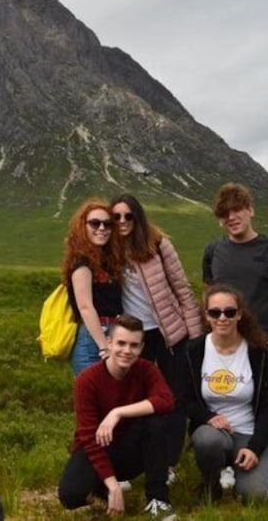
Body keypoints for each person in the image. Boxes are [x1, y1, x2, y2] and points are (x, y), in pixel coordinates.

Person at [110, 193, 202, 483]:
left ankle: (169, 463)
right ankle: (128, 465)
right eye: (117, 217)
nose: (123, 222)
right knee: (133, 399)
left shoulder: (158, 244)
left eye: (129, 216)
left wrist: (195, 337)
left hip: (169, 334)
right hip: (133, 339)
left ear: (138, 217)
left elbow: (183, 290)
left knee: (174, 398)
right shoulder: (108, 251)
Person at [58, 315, 178, 519]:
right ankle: (105, 492)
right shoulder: (88, 380)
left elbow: (166, 400)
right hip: (98, 445)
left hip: (133, 449)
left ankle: (158, 499)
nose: (127, 351)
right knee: (70, 496)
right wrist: (113, 485)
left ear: (141, 348)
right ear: (109, 343)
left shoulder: (146, 370)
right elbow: (87, 436)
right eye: (121, 343)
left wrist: (118, 412)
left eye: (134, 345)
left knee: (157, 420)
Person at [203, 182, 268, 399]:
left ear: (250, 210)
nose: (231, 217)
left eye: (237, 209)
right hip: (225, 346)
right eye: (224, 213)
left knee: (266, 410)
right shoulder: (213, 251)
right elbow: (209, 296)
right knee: (225, 406)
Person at [183, 284, 268, 503]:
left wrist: (255, 447)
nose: (222, 318)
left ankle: (250, 468)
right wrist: (208, 418)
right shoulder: (194, 350)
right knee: (207, 440)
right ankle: (211, 482)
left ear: (240, 315)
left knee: (256, 497)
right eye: (215, 312)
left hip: (248, 433)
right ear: (206, 316)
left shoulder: (257, 351)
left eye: (230, 312)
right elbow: (185, 400)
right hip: (215, 434)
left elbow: (267, 406)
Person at [62, 199, 124, 376]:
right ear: (83, 227)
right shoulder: (82, 262)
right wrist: (104, 348)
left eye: (108, 224)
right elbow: (85, 307)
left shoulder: (107, 262)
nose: (102, 228)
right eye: (95, 223)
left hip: (111, 335)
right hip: (93, 341)